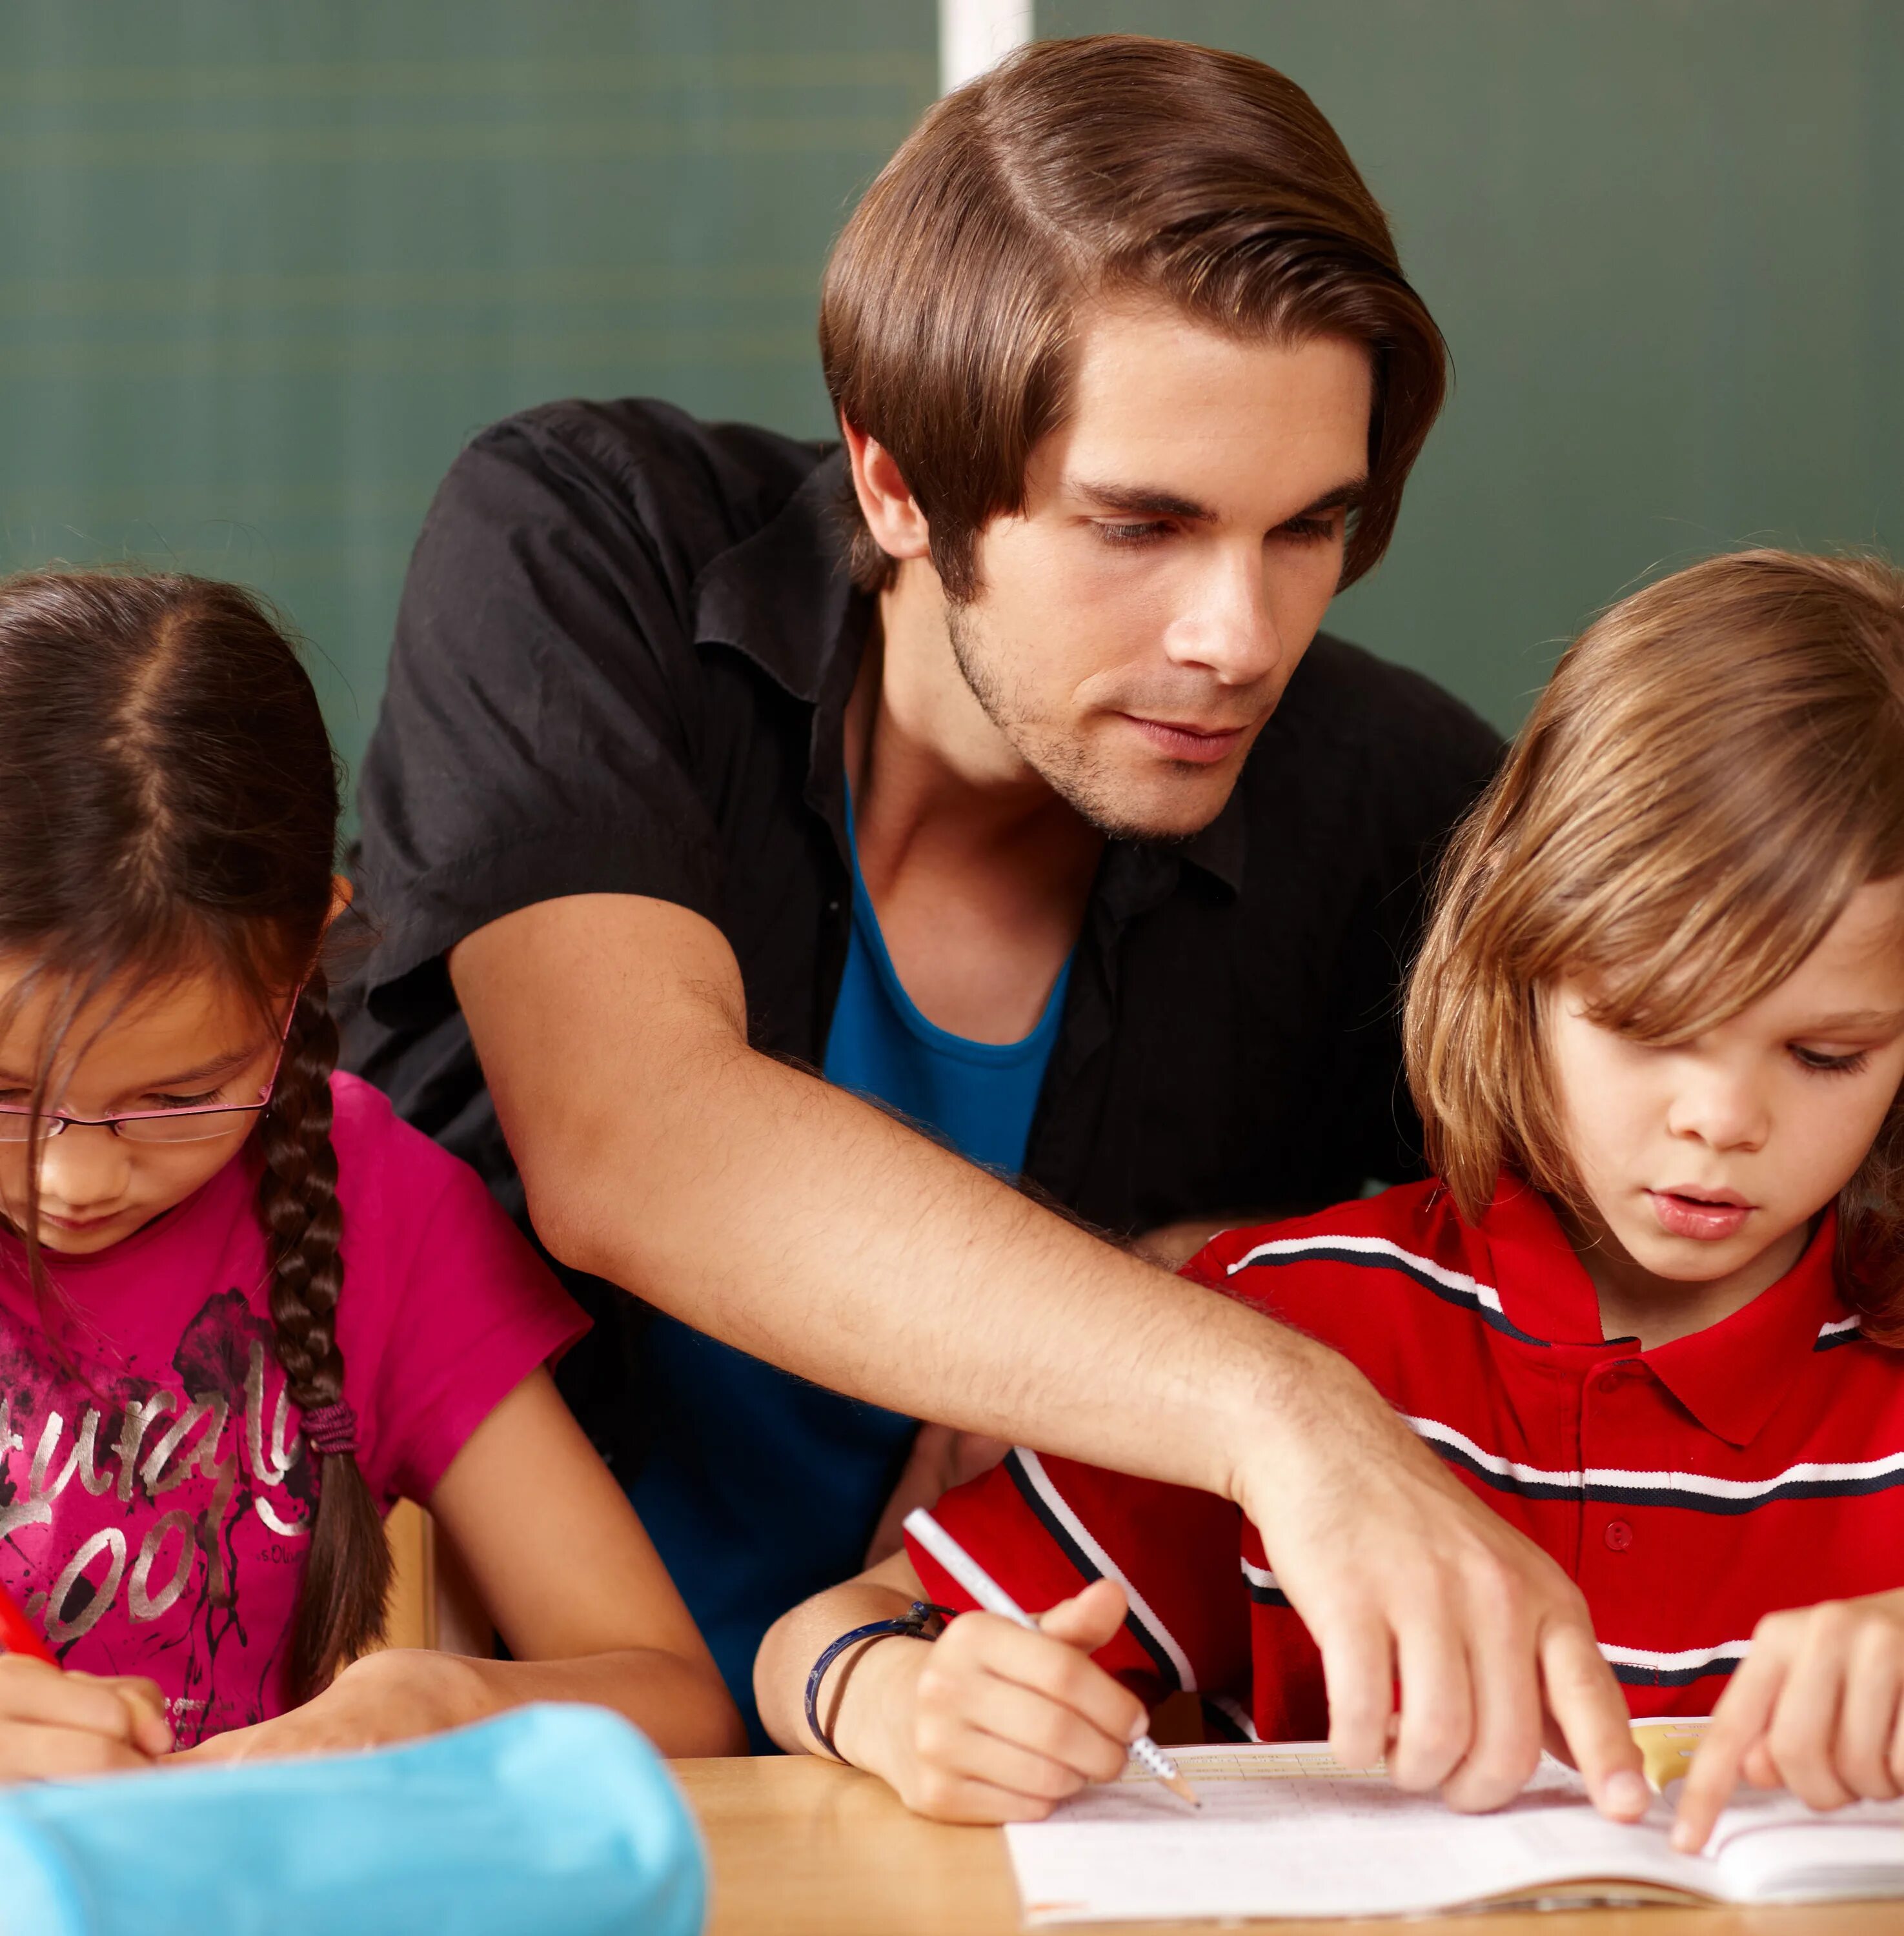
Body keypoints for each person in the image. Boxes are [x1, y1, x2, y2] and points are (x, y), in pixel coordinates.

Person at [347, 34, 1646, 1806]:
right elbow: (626, 1136)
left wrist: (1213, 1275)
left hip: (1045, 1831)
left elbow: (1626, 1269)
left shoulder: (1394, 802)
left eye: (1305, 531)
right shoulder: (587, 551)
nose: (1236, 637)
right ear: (896, 486)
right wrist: (1269, 1396)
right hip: (511, 1798)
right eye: (1142, 524)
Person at [756, 550, 1904, 1851]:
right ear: (1516, 956)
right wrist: (901, 1699)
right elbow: (826, 1632)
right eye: (1645, 1024)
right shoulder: (1298, 1326)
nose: (1719, 1120)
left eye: (1824, 1055)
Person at [0, 571, 741, 1779]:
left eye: (180, 1097)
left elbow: (675, 1702)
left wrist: (442, 1704)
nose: (75, 1177)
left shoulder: (380, 1212)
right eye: (6, 1096)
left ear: (302, 968)